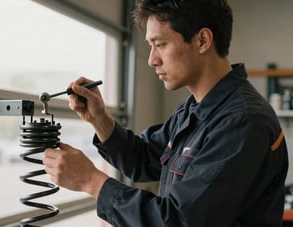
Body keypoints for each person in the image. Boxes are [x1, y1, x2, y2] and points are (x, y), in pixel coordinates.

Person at [43, 0, 289, 226]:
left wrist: (92, 181)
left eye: (160, 44)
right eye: (151, 46)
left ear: (202, 40)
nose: (152, 60)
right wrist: (100, 120)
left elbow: (177, 221)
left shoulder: (241, 122)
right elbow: (145, 159)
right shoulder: (196, 108)